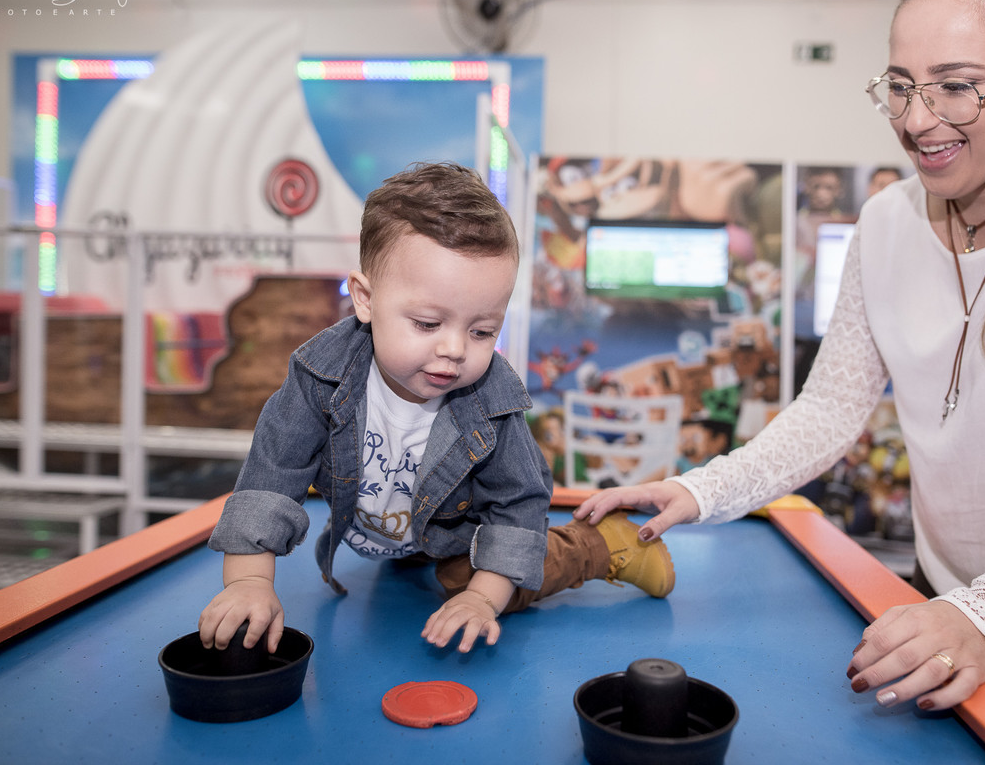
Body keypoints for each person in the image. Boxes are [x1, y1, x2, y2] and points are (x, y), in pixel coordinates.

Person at [575, 0, 985, 759]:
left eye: (957, 87)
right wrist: (700, 488)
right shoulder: (885, 221)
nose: (918, 121)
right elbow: (831, 409)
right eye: (901, 86)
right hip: (942, 614)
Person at [200, 162, 674, 657]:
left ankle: (600, 546)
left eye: (482, 331)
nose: (454, 349)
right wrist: (248, 581)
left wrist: (481, 599)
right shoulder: (321, 378)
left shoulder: (489, 401)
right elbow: (272, 475)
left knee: (472, 578)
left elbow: (518, 505)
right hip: (401, 536)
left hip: (456, 535)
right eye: (427, 323)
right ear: (364, 299)